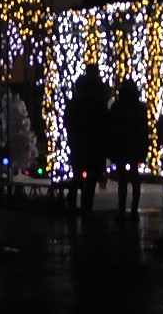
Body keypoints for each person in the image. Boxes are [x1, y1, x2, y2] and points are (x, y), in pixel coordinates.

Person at [65, 65, 109, 216]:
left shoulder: (75, 103)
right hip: (94, 144)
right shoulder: (98, 101)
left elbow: (69, 121)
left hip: (79, 143)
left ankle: (73, 204)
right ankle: (86, 207)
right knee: (90, 178)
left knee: (78, 175)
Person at [108, 79, 149, 222]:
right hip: (135, 145)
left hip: (121, 145)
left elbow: (111, 128)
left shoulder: (117, 107)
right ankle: (133, 210)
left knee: (123, 180)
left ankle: (121, 209)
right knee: (134, 178)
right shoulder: (140, 108)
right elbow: (144, 130)